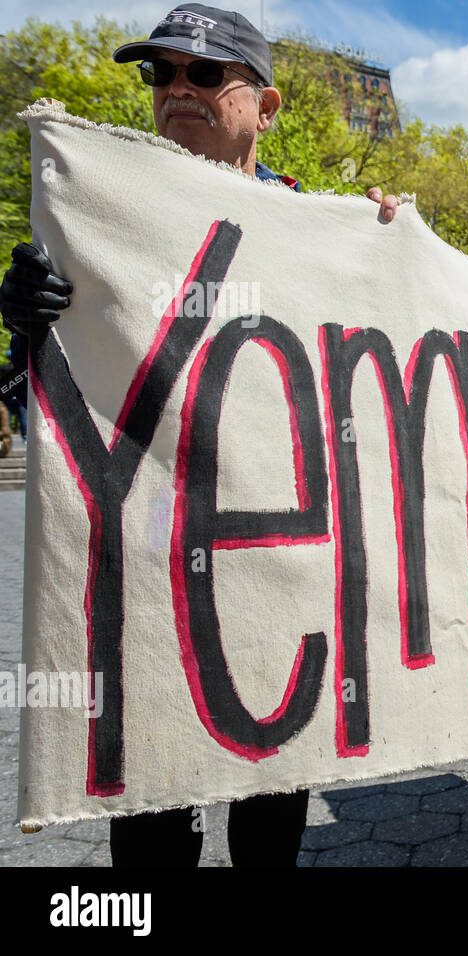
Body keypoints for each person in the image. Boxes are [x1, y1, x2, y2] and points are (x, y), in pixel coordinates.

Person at [0, 2, 399, 867]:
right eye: (162, 73)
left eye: (207, 73)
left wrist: (394, 253)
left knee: (269, 802)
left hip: (279, 562)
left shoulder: (320, 227)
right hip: (141, 561)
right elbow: (44, 413)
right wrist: (30, 329)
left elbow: (391, 364)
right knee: (147, 814)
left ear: (266, 105)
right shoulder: (93, 216)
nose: (178, 88)